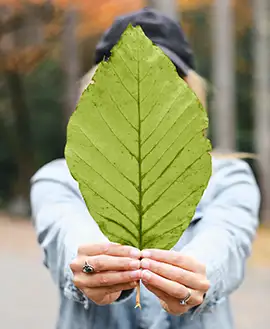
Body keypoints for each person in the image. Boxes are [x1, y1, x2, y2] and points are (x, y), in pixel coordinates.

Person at [31, 8, 260, 329]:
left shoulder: (228, 177)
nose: (147, 90)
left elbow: (226, 240)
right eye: (120, 76)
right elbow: (65, 232)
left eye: (166, 74)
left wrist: (199, 271)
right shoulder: (59, 177)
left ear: (190, 91)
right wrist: (90, 265)